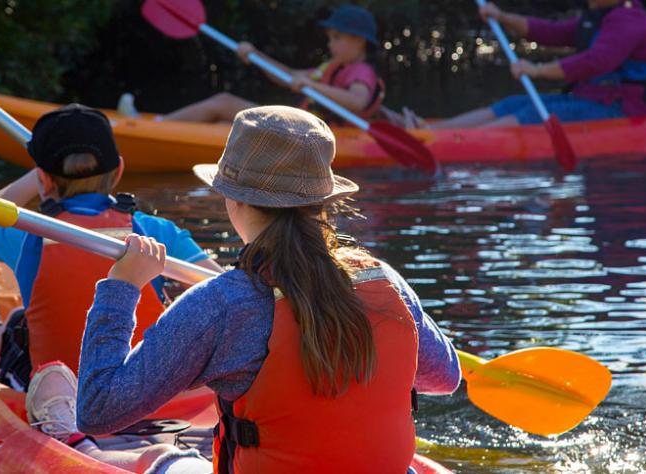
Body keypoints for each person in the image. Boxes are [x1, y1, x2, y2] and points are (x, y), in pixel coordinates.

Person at [26, 106, 462, 473]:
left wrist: (121, 288)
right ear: (323, 203)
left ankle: (77, 445)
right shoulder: (385, 281)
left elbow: (101, 410)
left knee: (163, 457)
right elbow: (444, 378)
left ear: (232, 199)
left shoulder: (221, 304)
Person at [0, 104, 223, 394]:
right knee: (170, 306)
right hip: (143, 389)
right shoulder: (158, 231)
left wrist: (37, 176)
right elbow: (225, 289)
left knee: (20, 324)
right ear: (119, 170)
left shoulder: (25, 235)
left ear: (44, 180)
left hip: (61, 392)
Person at [397, 0, 646, 129]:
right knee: (515, 103)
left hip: (625, 111)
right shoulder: (603, 16)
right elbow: (551, 31)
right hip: (592, 100)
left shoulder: (629, 20)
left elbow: (595, 62)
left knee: (528, 116)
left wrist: (537, 70)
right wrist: (502, 17)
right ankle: (432, 131)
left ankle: (445, 144)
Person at [156, 5, 387, 126]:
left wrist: (311, 86)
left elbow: (358, 101)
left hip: (307, 134)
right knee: (224, 119)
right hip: (302, 130)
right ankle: (161, 125)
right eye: (330, 37)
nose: (331, 44)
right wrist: (256, 56)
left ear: (360, 40)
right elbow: (288, 75)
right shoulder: (333, 67)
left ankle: (158, 128)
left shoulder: (361, 71)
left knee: (224, 102)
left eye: (337, 37)